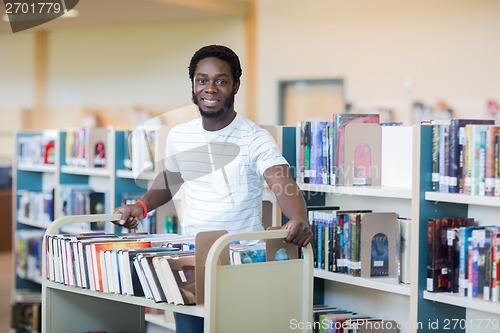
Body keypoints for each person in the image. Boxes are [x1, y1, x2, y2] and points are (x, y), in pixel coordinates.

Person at [113, 44, 313, 333]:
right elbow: (171, 179)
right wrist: (141, 207)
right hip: (192, 261)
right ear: (193, 85)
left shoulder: (254, 138)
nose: (210, 88)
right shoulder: (181, 135)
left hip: (241, 265)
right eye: (202, 80)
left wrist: (298, 218)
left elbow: (281, 181)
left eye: (221, 80)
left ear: (235, 86)